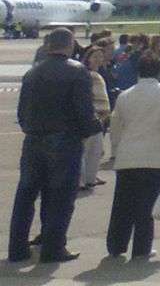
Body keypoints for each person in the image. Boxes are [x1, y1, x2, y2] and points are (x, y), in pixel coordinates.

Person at [8, 27, 98, 264]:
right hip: (64, 139)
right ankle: (53, 248)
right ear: (69, 45)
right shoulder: (77, 72)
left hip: (34, 138)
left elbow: (22, 112)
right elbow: (84, 111)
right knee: (61, 196)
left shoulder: (32, 73)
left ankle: (17, 248)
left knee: (26, 194)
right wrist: (92, 129)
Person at [103, 50, 160, 262]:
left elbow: (116, 126)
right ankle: (141, 248)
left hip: (127, 155)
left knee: (123, 203)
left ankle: (116, 245)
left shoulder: (124, 95)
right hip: (153, 156)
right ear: (159, 71)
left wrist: (116, 151)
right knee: (146, 204)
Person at [78, 45, 111, 191]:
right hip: (90, 117)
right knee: (85, 151)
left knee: (96, 151)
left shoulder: (100, 74)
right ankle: (81, 180)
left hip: (99, 120)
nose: (99, 59)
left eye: (100, 56)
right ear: (88, 58)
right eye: (95, 56)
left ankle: (90, 179)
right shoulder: (86, 74)